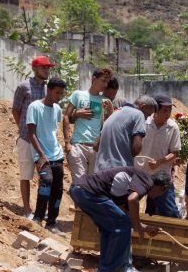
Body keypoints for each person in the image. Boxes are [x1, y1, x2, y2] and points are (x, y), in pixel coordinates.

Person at [69, 166, 166, 272]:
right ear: (162, 188)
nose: (157, 197)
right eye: (161, 193)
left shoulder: (133, 185)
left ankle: (106, 271)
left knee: (108, 229)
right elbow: (132, 200)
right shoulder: (147, 181)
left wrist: (143, 227)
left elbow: (124, 212)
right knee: (122, 225)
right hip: (88, 191)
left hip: (79, 190)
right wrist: (138, 227)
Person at [11, 56, 53, 217]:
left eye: (48, 68)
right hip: (26, 138)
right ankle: (27, 209)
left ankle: (43, 210)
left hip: (43, 140)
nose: (46, 70)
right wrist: (23, 128)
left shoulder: (47, 89)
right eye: (44, 68)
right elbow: (15, 110)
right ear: (35, 69)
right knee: (26, 175)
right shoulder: (24, 87)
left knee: (45, 176)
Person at [26, 78, 67, 235]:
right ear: (49, 90)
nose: (59, 96)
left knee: (58, 189)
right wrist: (41, 155)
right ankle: (37, 217)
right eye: (57, 92)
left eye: (61, 93)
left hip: (56, 154)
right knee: (46, 181)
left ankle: (51, 222)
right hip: (41, 155)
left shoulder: (57, 109)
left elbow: (52, 131)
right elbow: (31, 133)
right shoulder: (34, 107)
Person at [63, 68, 112, 184]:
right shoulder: (78, 94)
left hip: (95, 149)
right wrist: (67, 142)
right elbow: (66, 116)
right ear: (94, 79)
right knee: (80, 185)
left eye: (107, 82)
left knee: (92, 187)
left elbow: (110, 124)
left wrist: (110, 109)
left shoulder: (105, 101)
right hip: (77, 146)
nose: (105, 85)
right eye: (103, 81)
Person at [139, 94, 182, 217]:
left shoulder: (173, 127)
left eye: (170, 110)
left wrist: (159, 162)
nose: (168, 113)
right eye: (165, 110)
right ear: (155, 110)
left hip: (161, 178)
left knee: (170, 213)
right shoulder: (144, 122)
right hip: (141, 175)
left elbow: (175, 153)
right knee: (148, 212)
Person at [94, 96, 154, 171]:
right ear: (143, 107)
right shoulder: (139, 114)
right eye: (147, 115)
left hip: (99, 170)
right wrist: (124, 155)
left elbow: (96, 146)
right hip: (118, 172)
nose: (145, 119)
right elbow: (137, 148)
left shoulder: (114, 114)